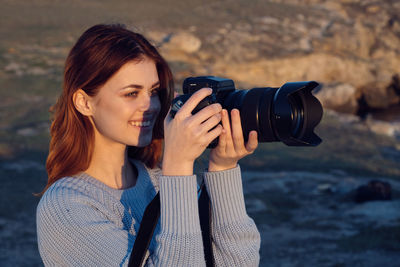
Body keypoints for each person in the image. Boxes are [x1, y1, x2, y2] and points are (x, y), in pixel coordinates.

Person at [36, 24, 261, 266]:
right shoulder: (65, 208)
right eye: (132, 93)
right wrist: (177, 166)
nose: (151, 105)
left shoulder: (157, 182)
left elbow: (239, 263)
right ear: (84, 103)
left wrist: (222, 168)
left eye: (153, 92)